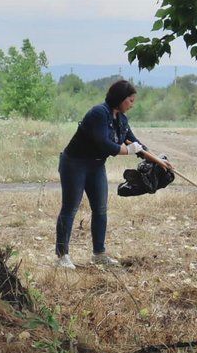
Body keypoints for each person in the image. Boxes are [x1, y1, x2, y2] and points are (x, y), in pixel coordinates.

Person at [54, 79, 153, 269]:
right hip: (74, 164)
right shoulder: (99, 113)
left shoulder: (122, 119)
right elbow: (104, 143)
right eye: (130, 100)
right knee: (70, 208)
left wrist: (159, 161)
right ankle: (62, 256)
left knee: (100, 209)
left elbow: (136, 144)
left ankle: (98, 254)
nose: (132, 105)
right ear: (120, 98)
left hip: (96, 166)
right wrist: (127, 150)